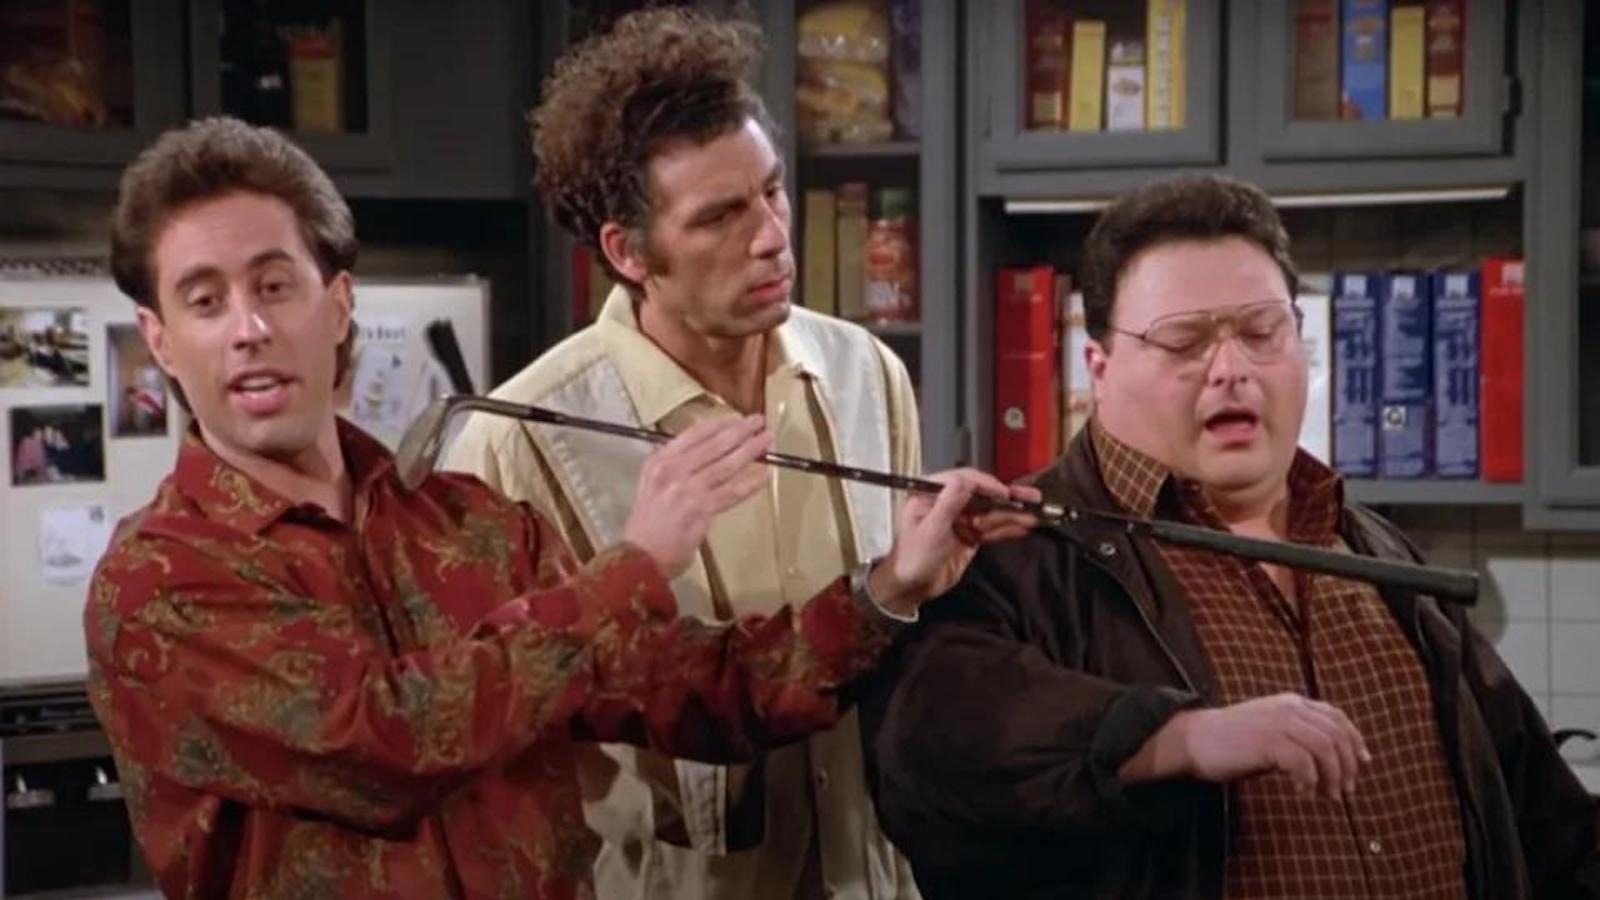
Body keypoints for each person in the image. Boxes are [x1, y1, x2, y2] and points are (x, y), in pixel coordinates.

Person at [85, 116, 1032, 899]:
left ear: (336, 305)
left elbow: (698, 690)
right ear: (160, 342)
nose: (249, 329)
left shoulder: (468, 524)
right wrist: (636, 566)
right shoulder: (159, 582)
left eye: (274, 286)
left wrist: (890, 587)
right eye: (205, 302)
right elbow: (387, 745)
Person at [861, 174, 1600, 899]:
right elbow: (923, 754)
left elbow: (1546, 820)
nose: (1231, 370)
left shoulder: (1377, 551)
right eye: (1184, 341)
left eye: (1261, 331)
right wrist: (1174, 738)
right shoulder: (1009, 546)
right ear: (1099, 368)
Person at [443, 8, 971, 899]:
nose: (770, 235)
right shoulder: (518, 441)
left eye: (772, 191)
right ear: (628, 252)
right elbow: (486, 725)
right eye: (721, 216)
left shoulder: (866, 373)